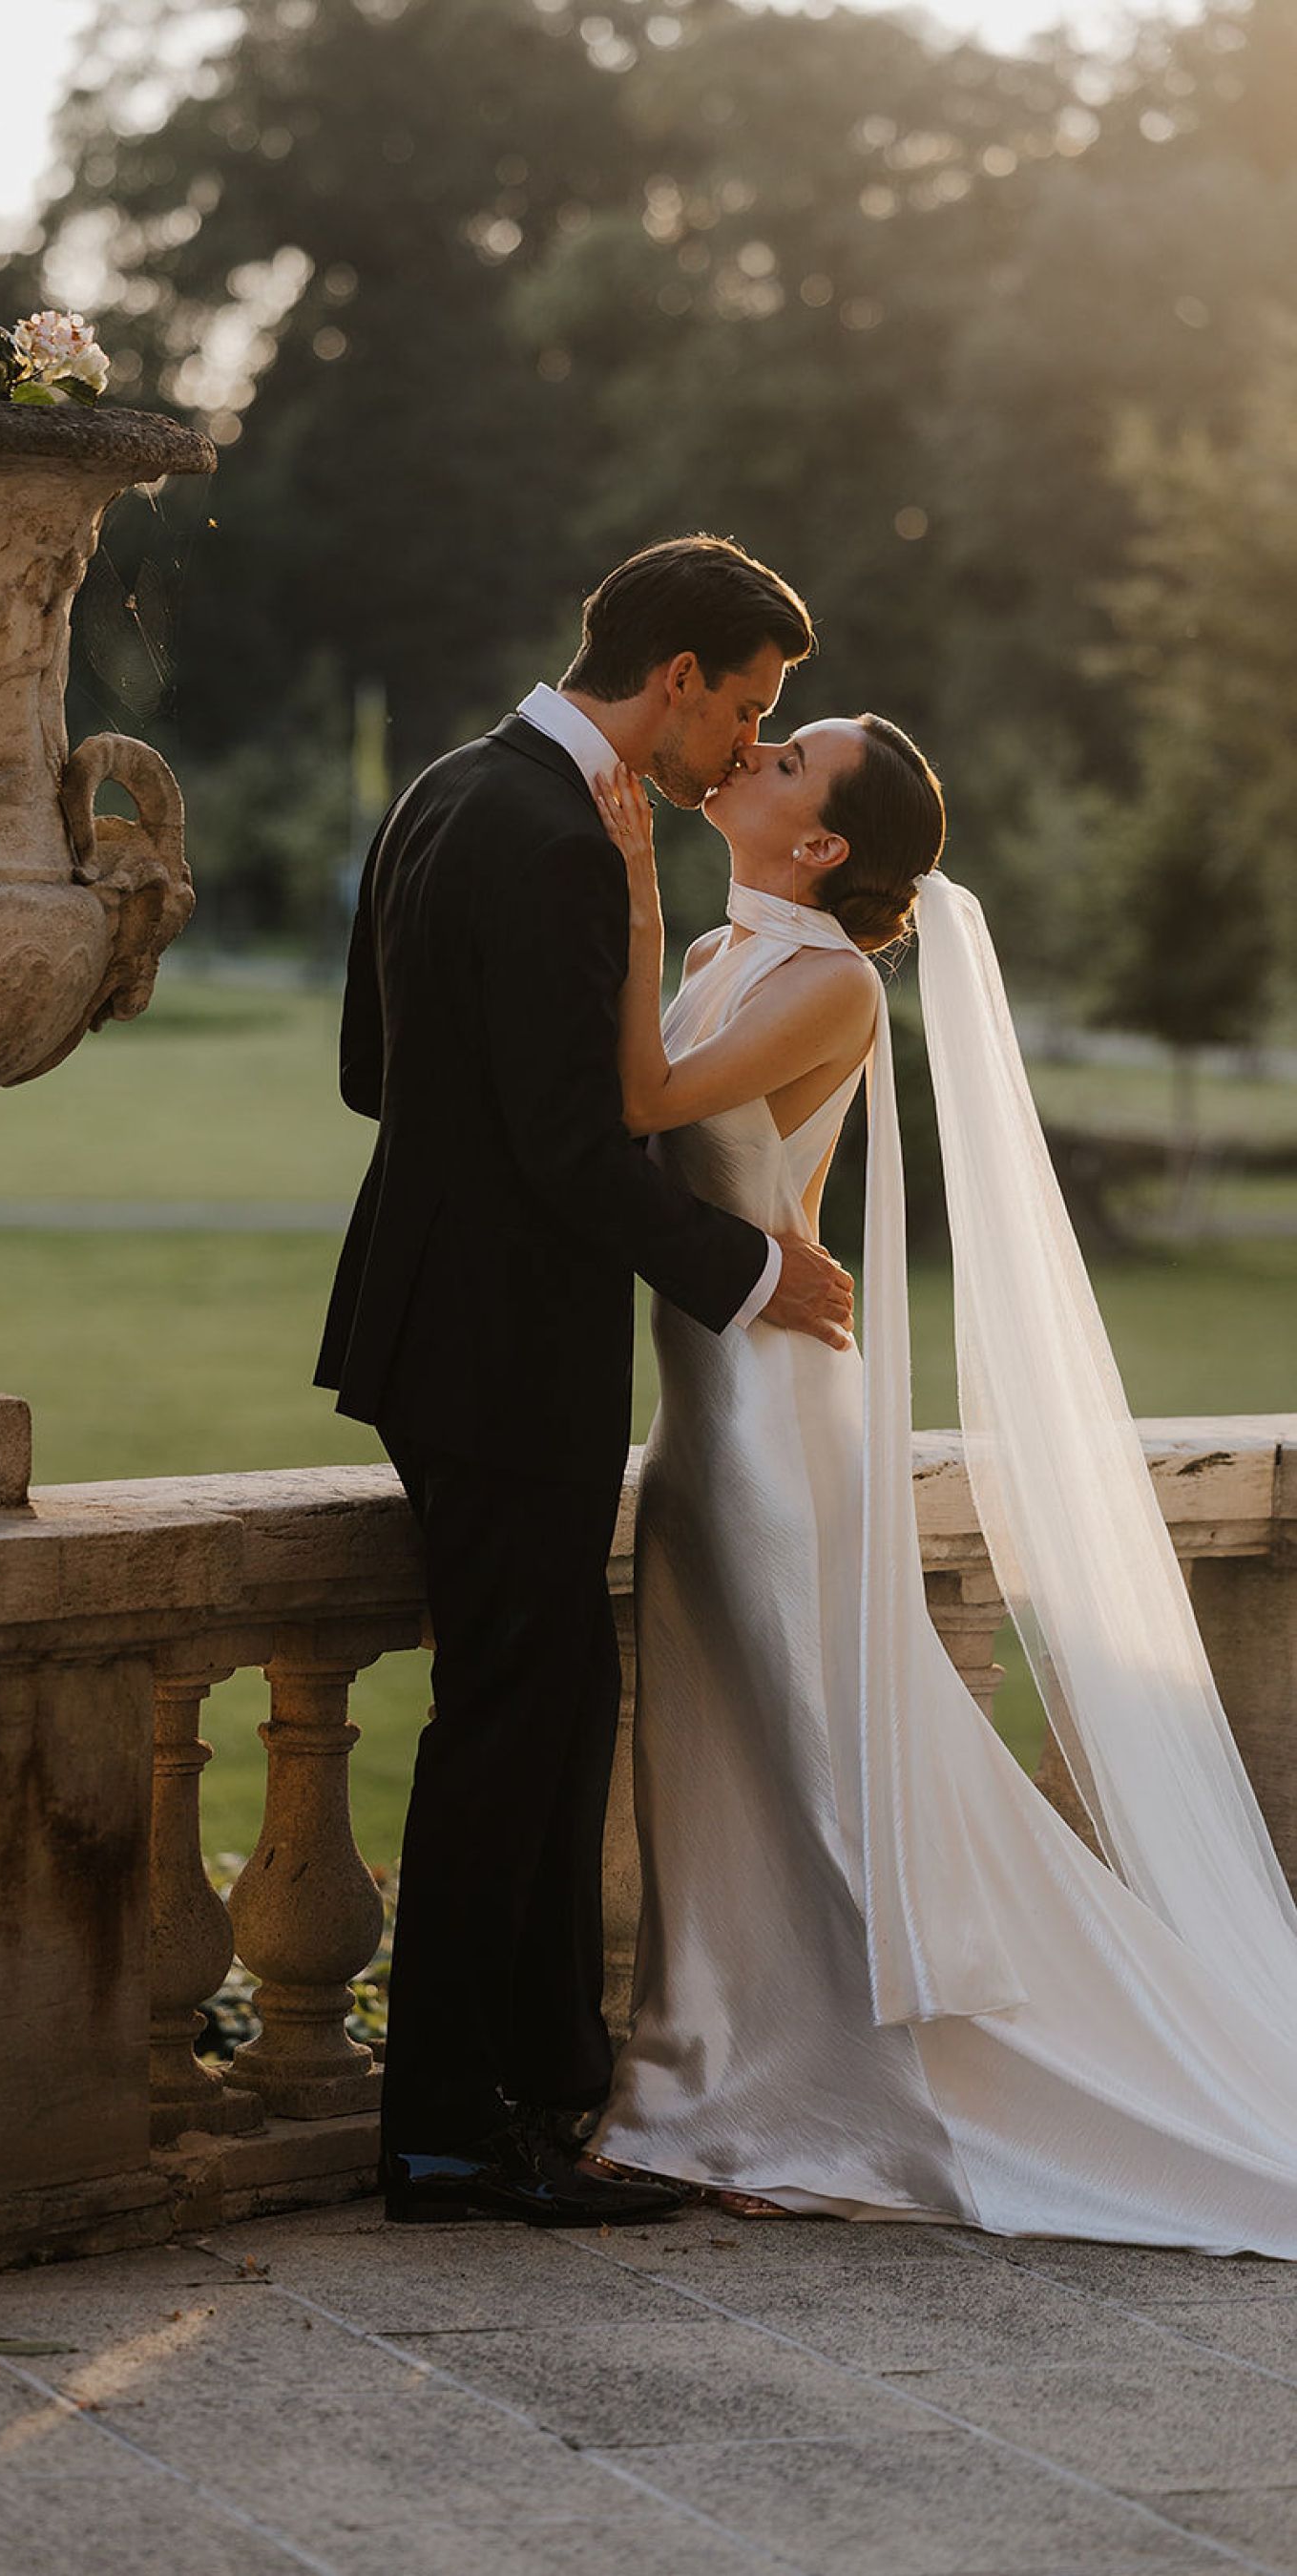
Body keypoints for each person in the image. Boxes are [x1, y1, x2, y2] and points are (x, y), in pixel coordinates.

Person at [583, 721, 1297, 2253]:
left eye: (788, 760)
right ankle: (724, 2070)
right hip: (705, 1406)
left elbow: (643, 1101)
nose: (753, 752)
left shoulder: (830, 982)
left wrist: (628, 886)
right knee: (725, 1761)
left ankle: (827, 2106)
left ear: (824, 842)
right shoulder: (728, 943)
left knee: (811, 1763)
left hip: (781, 1425)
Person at [317, 535, 857, 2227]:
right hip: (499, 1349)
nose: (737, 746)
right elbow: (570, 1147)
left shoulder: (445, 786)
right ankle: (453, 2141)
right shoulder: (552, 833)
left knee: (538, 1713)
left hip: (439, 1327)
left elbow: (366, 1071)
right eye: (748, 709)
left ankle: (527, 2101)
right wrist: (755, 1270)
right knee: (511, 1728)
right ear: (678, 676)